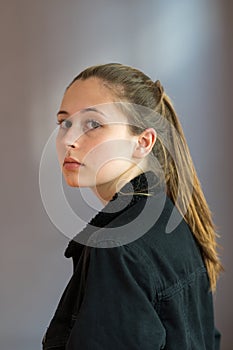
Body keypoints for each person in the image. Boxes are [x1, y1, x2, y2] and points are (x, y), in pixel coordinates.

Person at [42, 63, 222, 349]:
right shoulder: (171, 219)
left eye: (93, 124)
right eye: (64, 123)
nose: (68, 140)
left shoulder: (117, 245)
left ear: (143, 142)